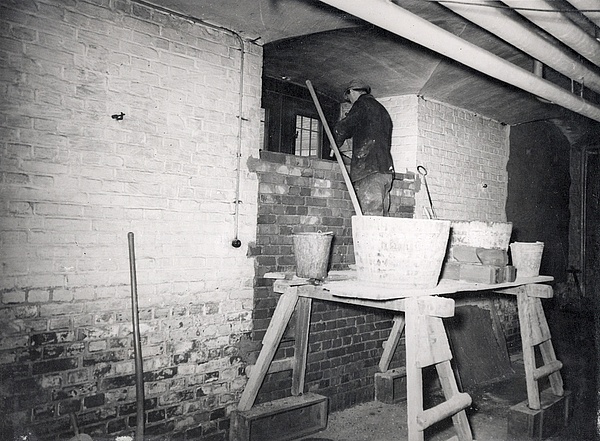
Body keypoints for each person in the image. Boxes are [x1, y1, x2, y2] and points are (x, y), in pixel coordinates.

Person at [333, 79, 394, 216]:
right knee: (382, 217)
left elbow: (343, 128)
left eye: (348, 97)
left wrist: (335, 141)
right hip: (385, 171)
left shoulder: (361, 104)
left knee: (371, 216)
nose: (350, 100)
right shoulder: (381, 109)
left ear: (353, 92)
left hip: (369, 170)